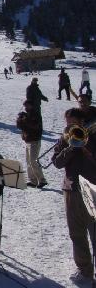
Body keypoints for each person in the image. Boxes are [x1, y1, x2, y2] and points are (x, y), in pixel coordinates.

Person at [52, 108, 96, 284]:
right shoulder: (66, 138)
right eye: (68, 123)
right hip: (71, 190)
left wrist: (87, 150)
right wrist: (71, 148)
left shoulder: (93, 137)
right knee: (76, 233)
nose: (70, 126)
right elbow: (56, 162)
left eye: (73, 123)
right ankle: (84, 269)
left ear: (82, 122)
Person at [16, 100, 47, 187]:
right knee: (28, 161)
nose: (26, 108)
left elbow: (34, 126)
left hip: (34, 140)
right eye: (25, 106)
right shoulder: (27, 115)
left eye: (27, 106)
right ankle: (33, 180)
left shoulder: (35, 114)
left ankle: (42, 180)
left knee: (33, 161)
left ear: (31, 106)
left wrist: (24, 119)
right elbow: (19, 126)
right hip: (28, 140)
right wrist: (19, 119)